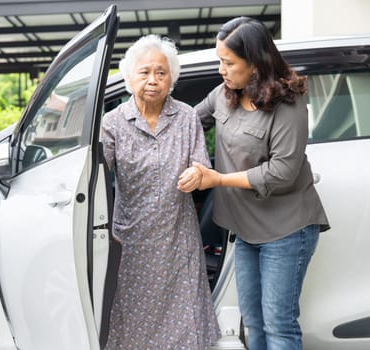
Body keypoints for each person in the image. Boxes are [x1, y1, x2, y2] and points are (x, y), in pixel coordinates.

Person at [178, 17, 330, 350]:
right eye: (220, 60)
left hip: (286, 230)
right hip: (246, 232)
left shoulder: (288, 105)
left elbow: (282, 171)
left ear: (256, 63)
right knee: (253, 325)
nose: (221, 69)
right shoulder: (223, 94)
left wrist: (216, 178)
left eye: (228, 62)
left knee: (279, 326)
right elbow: (187, 123)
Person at [101, 34, 221, 349]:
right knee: (133, 321)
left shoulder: (187, 117)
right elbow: (94, 176)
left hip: (178, 237)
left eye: (161, 72)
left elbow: (202, 168)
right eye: (144, 72)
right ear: (129, 77)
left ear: (171, 79)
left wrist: (197, 174)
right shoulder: (112, 124)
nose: (153, 80)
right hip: (131, 239)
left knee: (184, 321)